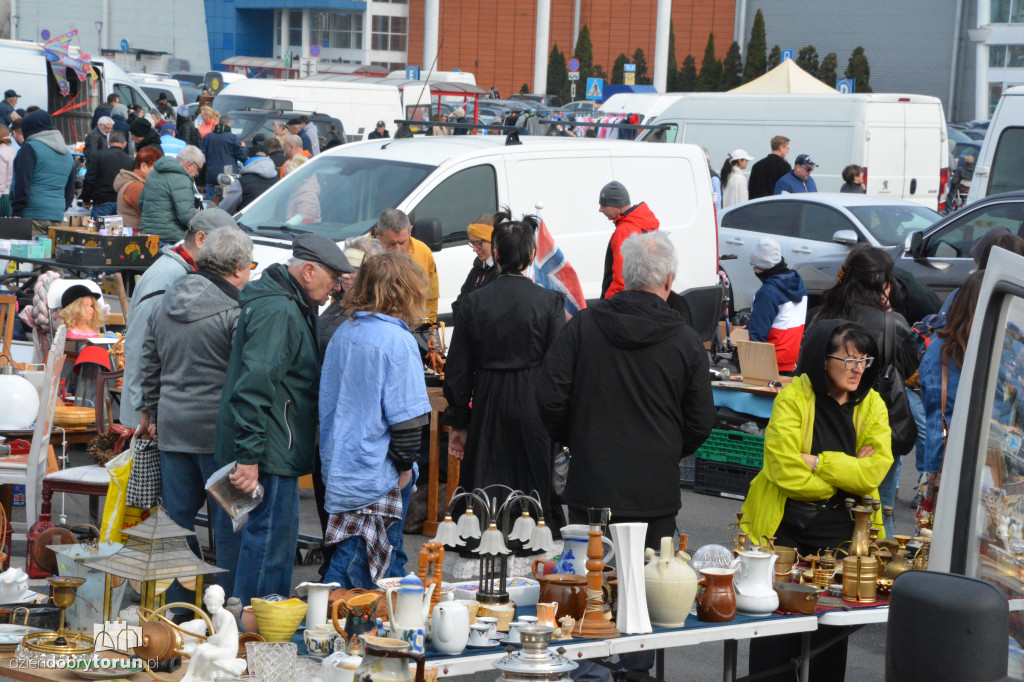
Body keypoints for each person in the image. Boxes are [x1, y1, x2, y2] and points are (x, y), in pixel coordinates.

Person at [538, 230, 715, 540]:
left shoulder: (583, 326)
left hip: (592, 483)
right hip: (654, 489)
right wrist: (667, 447)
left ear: (625, 274)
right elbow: (700, 421)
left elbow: (550, 396)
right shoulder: (686, 342)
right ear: (669, 280)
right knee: (647, 583)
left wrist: (577, 438)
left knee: (589, 581)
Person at [742, 320, 892, 682]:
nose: (858, 369)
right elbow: (781, 467)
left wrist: (818, 461)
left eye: (864, 361)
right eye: (849, 359)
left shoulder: (871, 403)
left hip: (842, 531)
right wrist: (842, 476)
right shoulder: (795, 396)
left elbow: (873, 472)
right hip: (786, 526)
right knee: (774, 624)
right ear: (823, 359)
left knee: (830, 628)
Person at [215, 233, 353, 604]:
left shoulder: (288, 302)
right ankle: (256, 634)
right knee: (268, 544)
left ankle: (254, 628)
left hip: (275, 444)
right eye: (333, 279)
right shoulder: (280, 309)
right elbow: (255, 386)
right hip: (270, 448)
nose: (336, 289)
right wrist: (248, 458)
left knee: (270, 542)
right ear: (309, 271)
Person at [138, 227, 252, 600]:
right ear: (237, 267)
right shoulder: (235, 310)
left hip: (173, 428)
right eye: (249, 266)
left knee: (176, 526)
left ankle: (179, 610)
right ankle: (229, 609)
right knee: (230, 526)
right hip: (218, 434)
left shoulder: (167, 298)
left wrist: (150, 411)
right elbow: (242, 377)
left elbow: (149, 361)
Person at [320, 251, 429, 588]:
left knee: (375, 557)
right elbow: (407, 420)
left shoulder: (344, 332)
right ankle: (328, 624)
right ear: (404, 291)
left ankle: (386, 625)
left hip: (340, 464)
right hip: (376, 470)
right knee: (359, 563)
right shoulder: (398, 340)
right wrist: (405, 468)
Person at [444, 211, 565, 515]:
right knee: (532, 498)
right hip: (533, 405)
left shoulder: (475, 301)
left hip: (488, 404)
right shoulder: (549, 302)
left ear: (496, 253)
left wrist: (459, 419)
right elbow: (559, 368)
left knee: (486, 497)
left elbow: (457, 369)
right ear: (531, 255)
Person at [814, 244, 919, 537]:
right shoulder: (892, 323)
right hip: (875, 434)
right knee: (877, 515)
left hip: (826, 427)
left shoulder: (822, 316)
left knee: (824, 508)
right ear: (883, 284)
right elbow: (911, 366)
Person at [121, 208, 234, 429]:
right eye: (225, 246)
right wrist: (143, 411)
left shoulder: (180, 271)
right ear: (201, 239)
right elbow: (137, 346)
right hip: (147, 420)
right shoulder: (167, 276)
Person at [916, 270, 983, 527]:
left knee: (932, 544)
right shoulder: (1002, 349)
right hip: (989, 466)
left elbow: (931, 402)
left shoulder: (938, 350)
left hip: (942, 461)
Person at [747, 237, 807, 373]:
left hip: (770, 365)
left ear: (763, 267)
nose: (754, 270)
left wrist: (754, 369)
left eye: (755, 266)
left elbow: (757, 336)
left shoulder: (767, 293)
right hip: (791, 361)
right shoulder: (798, 284)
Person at [11, 110, 76, 235]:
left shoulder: (29, 148)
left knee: (30, 253)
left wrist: (17, 211)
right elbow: (69, 191)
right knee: (51, 254)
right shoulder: (67, 154)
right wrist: (59, 209)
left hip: (32, 215)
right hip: (57, 217)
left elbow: (23, 182)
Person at [373, 208, 439, 323]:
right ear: (377, 234)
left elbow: (431, 296)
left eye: (402, 242)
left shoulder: (423, 252)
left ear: (410, 231)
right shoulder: (363, 253)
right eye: (391, 244)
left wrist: (429, 327)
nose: (398, 250)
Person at [597, 180, 660, 299]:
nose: (600, 209)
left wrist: (608, 304)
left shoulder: (625, 230)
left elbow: (622, 279)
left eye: (604, 205)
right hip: (645, 298)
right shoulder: (644, 224)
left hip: (624, 302)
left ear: (618, 206)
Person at [139, 145, 205, 243]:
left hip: (147, 236)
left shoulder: (153, 173)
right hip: (170, 238)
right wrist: (202, 216)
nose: (197, 174)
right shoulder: (182, 179)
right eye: (198, 169)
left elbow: (141, 203)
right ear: (190, 165)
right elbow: (186, 218)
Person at [450, 214, 498, 320]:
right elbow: (457, 306)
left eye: (479, 243)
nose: (474, 249)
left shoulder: (501, 272)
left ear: (493, 241)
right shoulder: (476, 270)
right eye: (472, 243)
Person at [81, 130, 133, 219]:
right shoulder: (130, 160)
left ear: (109, 142)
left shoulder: (98, 156)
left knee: (99, 231)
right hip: (122, 203)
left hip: (102, 201)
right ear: (125, 144)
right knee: (118, 232)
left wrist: (86, 199)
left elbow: (90, 179)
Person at [115, 146, 163, 229]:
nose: (159, 173)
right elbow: (152, 213)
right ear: (144, 166)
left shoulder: (136, 184)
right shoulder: (136, 186)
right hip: (134, 237)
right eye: (156, 168)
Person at [200, 114, 247, 199]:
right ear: (230, 125)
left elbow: (201, 155)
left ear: (219, 123)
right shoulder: (233, 138)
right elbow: (242, 156)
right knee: (227, 202)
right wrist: (243, 147)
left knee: (210, 203)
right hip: (227, 177)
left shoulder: (208, 137)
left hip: (211, 175)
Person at [748, 135, 791, 199]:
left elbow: (751, 189)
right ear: (781, 148)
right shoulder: (785, 166)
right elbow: (786, 190)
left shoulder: (756, 166)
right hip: (774, 205)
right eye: (787, 148)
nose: (787, 151)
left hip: (757, 205)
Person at [0, 125, 15, 217]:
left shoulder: (1, 152)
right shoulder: (12, 150)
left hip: (2, 197)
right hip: (9, 195)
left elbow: (0, 181)